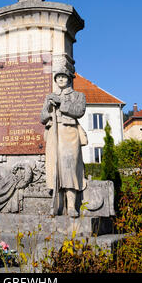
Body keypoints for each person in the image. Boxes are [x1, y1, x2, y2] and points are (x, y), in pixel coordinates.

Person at [41, 67, 88, 217]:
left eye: (64, 77)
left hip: (69, 133)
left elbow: (79, 111)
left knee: (69, 168)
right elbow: (42, 117)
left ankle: (72, 206)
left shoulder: (78, 95)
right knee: (55, 169)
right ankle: (57, 206)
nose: (61, 79)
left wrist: (61, 103)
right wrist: (49, 108)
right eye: (58, 77)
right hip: (54, 133)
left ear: (69, 79)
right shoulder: (50, 96)